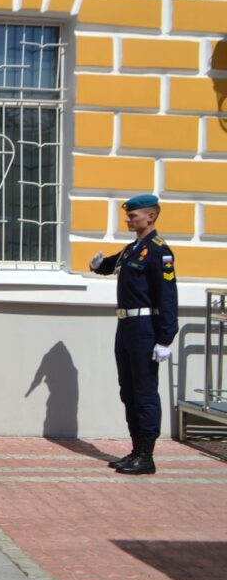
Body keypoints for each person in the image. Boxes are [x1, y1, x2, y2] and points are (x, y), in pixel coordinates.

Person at [89, 194, 178, 476]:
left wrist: (165, 338)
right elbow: (112, 264)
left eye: (133, 215)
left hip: (145, 329)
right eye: (128, 215)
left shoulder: (159, 251)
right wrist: (97, 264)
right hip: (125, 327)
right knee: (128, 391)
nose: (128, 219)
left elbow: (167, 297)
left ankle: (146, 456)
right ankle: (135, 449)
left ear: (150, 216)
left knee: (144, 392)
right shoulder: (132, 249)